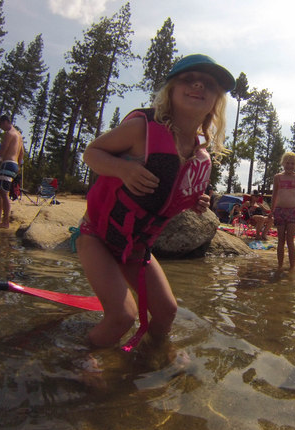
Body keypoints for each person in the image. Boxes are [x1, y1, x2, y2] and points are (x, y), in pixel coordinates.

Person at [76, 54, 235, 351]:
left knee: (167, 312)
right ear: (171, 90)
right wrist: (123, 169)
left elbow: (165, 197)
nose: (198, 84)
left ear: (215, 101)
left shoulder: (201, 156)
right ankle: (81, 360)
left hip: (136, 246)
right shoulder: (142, 129)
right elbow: (91, 152)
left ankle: (154, 357)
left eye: (209, 84)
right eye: (189, 79)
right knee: (123, 316)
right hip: (97, 236)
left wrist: (193, 201)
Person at [270, 152, 295, 269]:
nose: (289, 166)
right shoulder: (278, 177)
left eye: (292, 164)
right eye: (287, 163)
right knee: (280, 240)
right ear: (283, 163)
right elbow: (274, 195)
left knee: (290, 240)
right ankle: (279, 266)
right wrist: (271, 211)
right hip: (280, 211)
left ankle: (292, 268)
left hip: (293, 211)